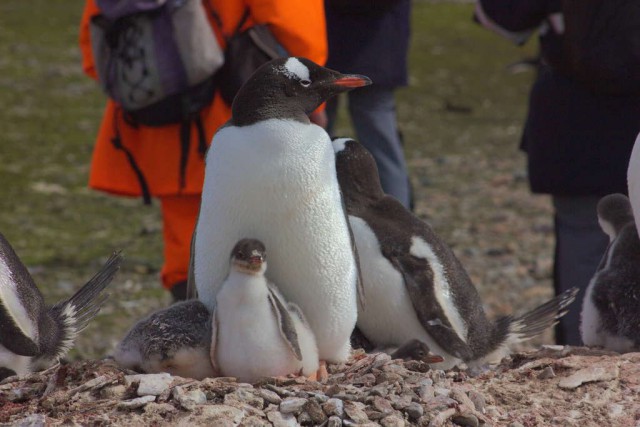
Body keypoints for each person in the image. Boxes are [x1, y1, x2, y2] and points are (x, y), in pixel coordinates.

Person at [79, 0, 328, 301]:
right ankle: (247, 327)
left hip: (158, 113)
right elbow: (291, 20)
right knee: (255, 225)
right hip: (234, 105)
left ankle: (188, 318)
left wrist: (160, 72)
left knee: (185, 234)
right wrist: (315, 97)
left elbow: (94, 45)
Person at [475, 0, 640, 345]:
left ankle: (586, 345)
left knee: (583, 241)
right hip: (618, 120)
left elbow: (501, 17)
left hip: (573, 120)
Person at [323, 0, 413, 209]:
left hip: (332, 37)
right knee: (381, 142)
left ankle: (310, 221)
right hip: (379, 41)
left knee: (314, 139)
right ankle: (401, 228)